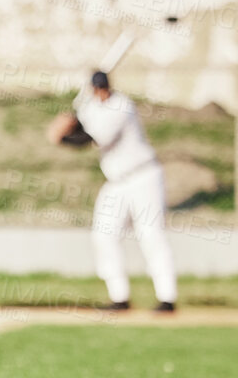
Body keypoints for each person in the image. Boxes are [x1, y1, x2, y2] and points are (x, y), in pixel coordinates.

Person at [54, 70, 176, 313]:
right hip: (117, 182)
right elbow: (83, 124)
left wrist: (62, 136)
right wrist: (71, 121)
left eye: (104, 87)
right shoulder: (90, 106)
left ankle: (167, 297)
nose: (102, 91)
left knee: (151, 235)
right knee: (103, 235)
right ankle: (119, 297)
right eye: (98, 87)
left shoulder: (122, 106)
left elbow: (89, 139)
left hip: (143, 177)